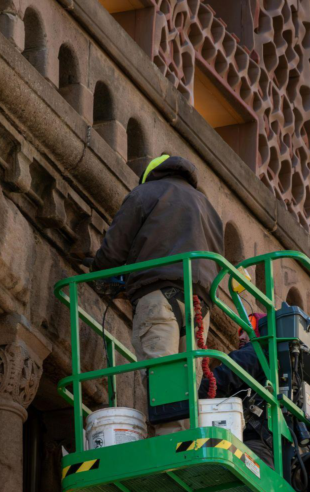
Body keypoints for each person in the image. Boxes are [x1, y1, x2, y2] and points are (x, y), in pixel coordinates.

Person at [87, 154, 224, 433]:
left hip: (157, 295)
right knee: (189, 380)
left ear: (151, 174)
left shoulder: (144, 194)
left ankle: (171, 446)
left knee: (162, 375)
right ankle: (189, 443)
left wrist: (98, 272)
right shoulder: (209, 208)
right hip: (200, 305)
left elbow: (113, 250)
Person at [200, 313, 276, 466]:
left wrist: (196, 404)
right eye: (239, 332)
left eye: (247, 331)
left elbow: (219, 379)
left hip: (252, 444)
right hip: (275, 451)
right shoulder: (283, 366)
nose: (241, 337)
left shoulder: (257, 352)